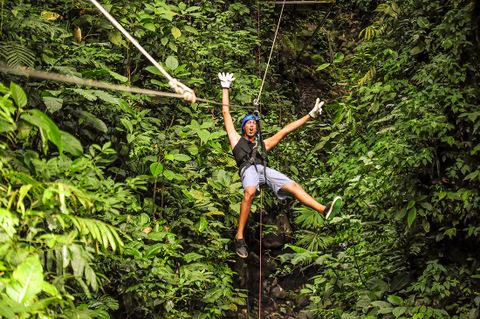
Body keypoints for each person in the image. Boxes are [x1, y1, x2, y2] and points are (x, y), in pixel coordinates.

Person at [218, 72, 343, 258]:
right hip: (248, 170)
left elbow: (285, 130)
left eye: (254, 123)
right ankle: (239, 238)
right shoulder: (236, 140)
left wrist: (309, 115)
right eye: (248, 123)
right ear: (244, 127)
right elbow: (226, 113)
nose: (251, 125)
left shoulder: (263, 145)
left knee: (293, 186)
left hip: (263, 171)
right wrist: (225, 88)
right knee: (250, 192)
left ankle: (324, 210)